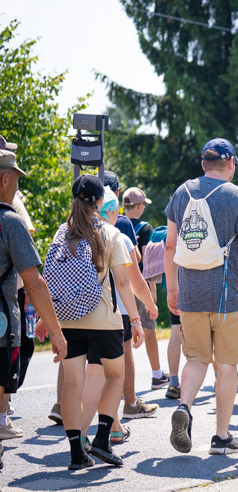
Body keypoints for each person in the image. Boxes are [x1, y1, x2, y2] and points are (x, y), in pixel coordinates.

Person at [164, 138, 238, 455]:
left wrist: (173, 287)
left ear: (204, 163)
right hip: (228, 295)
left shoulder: (182, 193)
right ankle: (221, 437)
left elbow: (169, 246)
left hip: (190, 293)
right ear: (231, 163)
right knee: (227, 365)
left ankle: (184, 406)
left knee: (196, 359)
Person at [50, 175, 144, 469]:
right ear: (101, 201)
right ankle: (103, 437)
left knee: (73, 385)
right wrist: (137, 320)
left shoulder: (61, 232)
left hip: (67, 318)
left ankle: (77, 452)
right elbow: (124, 284)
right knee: (115, 375)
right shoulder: (109, 233)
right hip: (103, 319)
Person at [0, 147, 67, 492]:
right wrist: (56, 331)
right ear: (4, 179)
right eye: (16, 181)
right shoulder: (9, 222)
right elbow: (35, 283)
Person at [78, 188, 157, 446]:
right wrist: (147, 308)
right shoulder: (117, 237)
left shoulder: (78, 234)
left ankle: (112, 429)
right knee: (113, 377)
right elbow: (132, 282)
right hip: (115, 315)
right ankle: (95, 435)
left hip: (84, 313)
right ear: (110, 211)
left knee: (94, 374)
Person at [123, 187, 168, 388]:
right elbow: (147, 261)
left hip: (119, 284)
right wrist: (152, 289)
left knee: (123, 334)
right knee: (149, 330)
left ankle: (120, 379)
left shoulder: (116, 223)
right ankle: (157, 374)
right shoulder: (145, 228)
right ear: (140, 206)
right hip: (138, 282)